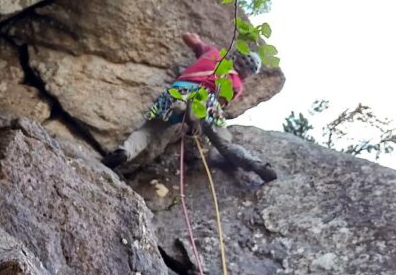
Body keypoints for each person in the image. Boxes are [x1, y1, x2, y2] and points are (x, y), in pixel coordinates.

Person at [103, 32, 277, 181]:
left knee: (148, 131)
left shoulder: (213, 54)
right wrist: (197, 122)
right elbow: (219, 103)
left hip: (176, 94)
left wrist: (198, 41)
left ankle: (124, 152)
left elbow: (189, 38)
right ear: (247, 74)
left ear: (236, 56)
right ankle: (255, 164)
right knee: (224, 144)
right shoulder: (236, 84)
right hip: (205, 103)